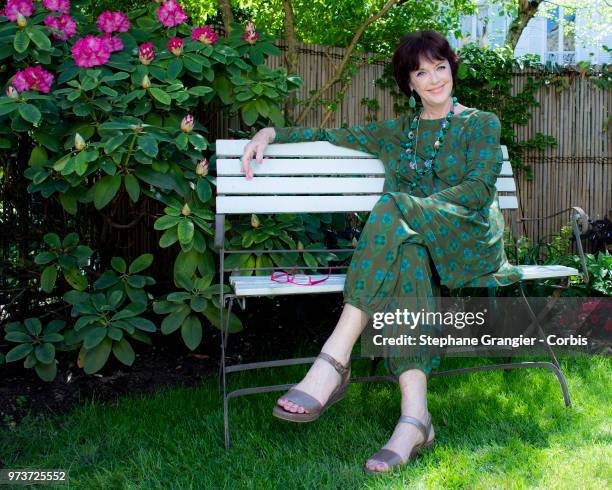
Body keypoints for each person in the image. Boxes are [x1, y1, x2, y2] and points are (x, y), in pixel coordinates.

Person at [240, 30, 520, 474]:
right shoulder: (399, 131)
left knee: (394, 208)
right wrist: (271, 131)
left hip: (469, 240)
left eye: (440, 67)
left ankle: (332, 361)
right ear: (408, 83)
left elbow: (478, 189)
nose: (433, 80)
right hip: (413, 242)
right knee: (406, 254)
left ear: (452, 69)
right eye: (421, 72)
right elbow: (331, 134)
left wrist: (412, 209)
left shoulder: (480, 123)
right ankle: (414, 420)